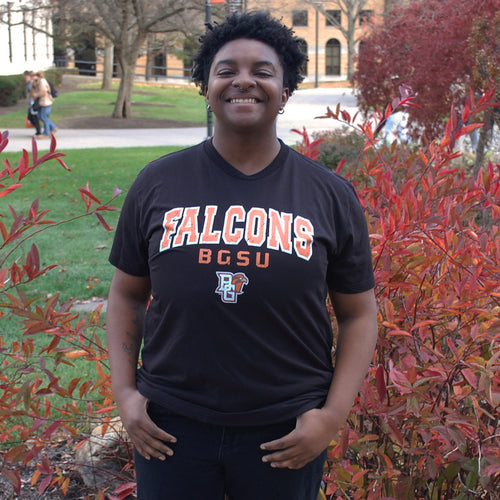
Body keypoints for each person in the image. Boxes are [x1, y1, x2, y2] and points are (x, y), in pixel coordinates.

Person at [106, 11, 378, 500]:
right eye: (226, 70)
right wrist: (126, 395)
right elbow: (126, 295)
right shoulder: (158, 183)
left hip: (286, 429)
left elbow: (358, 314)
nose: (244, 81)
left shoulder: (329, 195)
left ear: (286, 90)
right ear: (206, 87)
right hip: (170, 425)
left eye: (263, 71)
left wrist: (331, 417)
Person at [31, 70, 57, 139]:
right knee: (41, 116)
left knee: (43, 117)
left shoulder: (41, 81)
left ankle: (46, 133)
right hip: (44, 102)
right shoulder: (40, 81)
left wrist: (35, 95)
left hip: (45, 102)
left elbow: (42, 92)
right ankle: (53, 127)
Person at [23, 70, 42, 136]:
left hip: (34, 103)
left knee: (35, 117)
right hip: (32, 102)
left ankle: (39, 131)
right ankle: (38, 130)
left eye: (26, 77)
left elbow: (33, 93)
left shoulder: (32, 83)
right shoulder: (30, 83)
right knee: (33, 116)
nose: (25, 79)